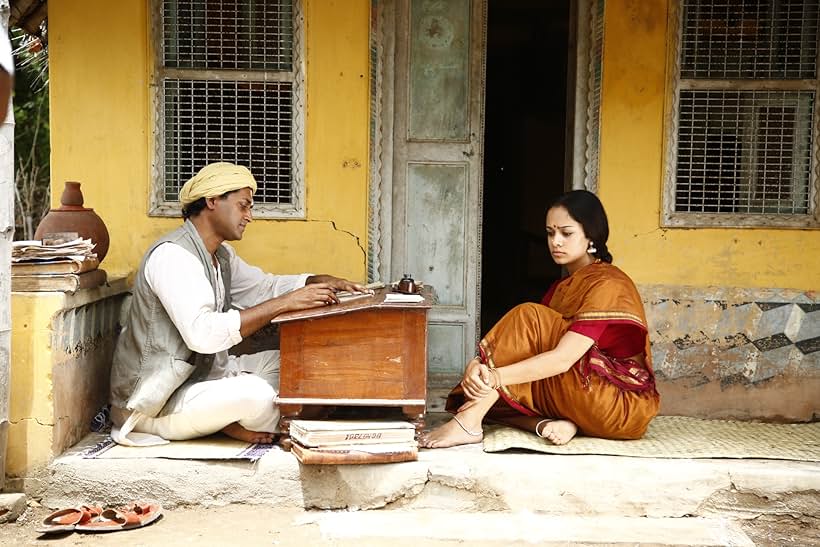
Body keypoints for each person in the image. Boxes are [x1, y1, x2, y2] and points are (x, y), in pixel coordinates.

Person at [109, 162, 368, 446]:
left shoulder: (220, 255)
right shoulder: (173, 257)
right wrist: (285, 304)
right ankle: (231, 422)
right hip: (153, 403)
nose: (250, 216)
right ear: (211, 201)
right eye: (244, 206)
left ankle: (226, 421)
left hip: (203, 379)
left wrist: (316, 280)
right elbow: (202, 334)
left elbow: (263, 288)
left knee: (303, 364)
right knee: (255, 395)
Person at [420, 190, 659, 448]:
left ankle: (468, 423)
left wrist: (492, 376)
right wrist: (477, 365)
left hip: (619, 403)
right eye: (550, 233)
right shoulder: (562, 287)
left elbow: (563, 358)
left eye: (566, 233)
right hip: (582, 391)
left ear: (591, 236)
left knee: (528, 318)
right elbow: (523, 350)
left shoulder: (609, 283)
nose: (555, 241)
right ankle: (548, 425)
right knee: (495, 400)